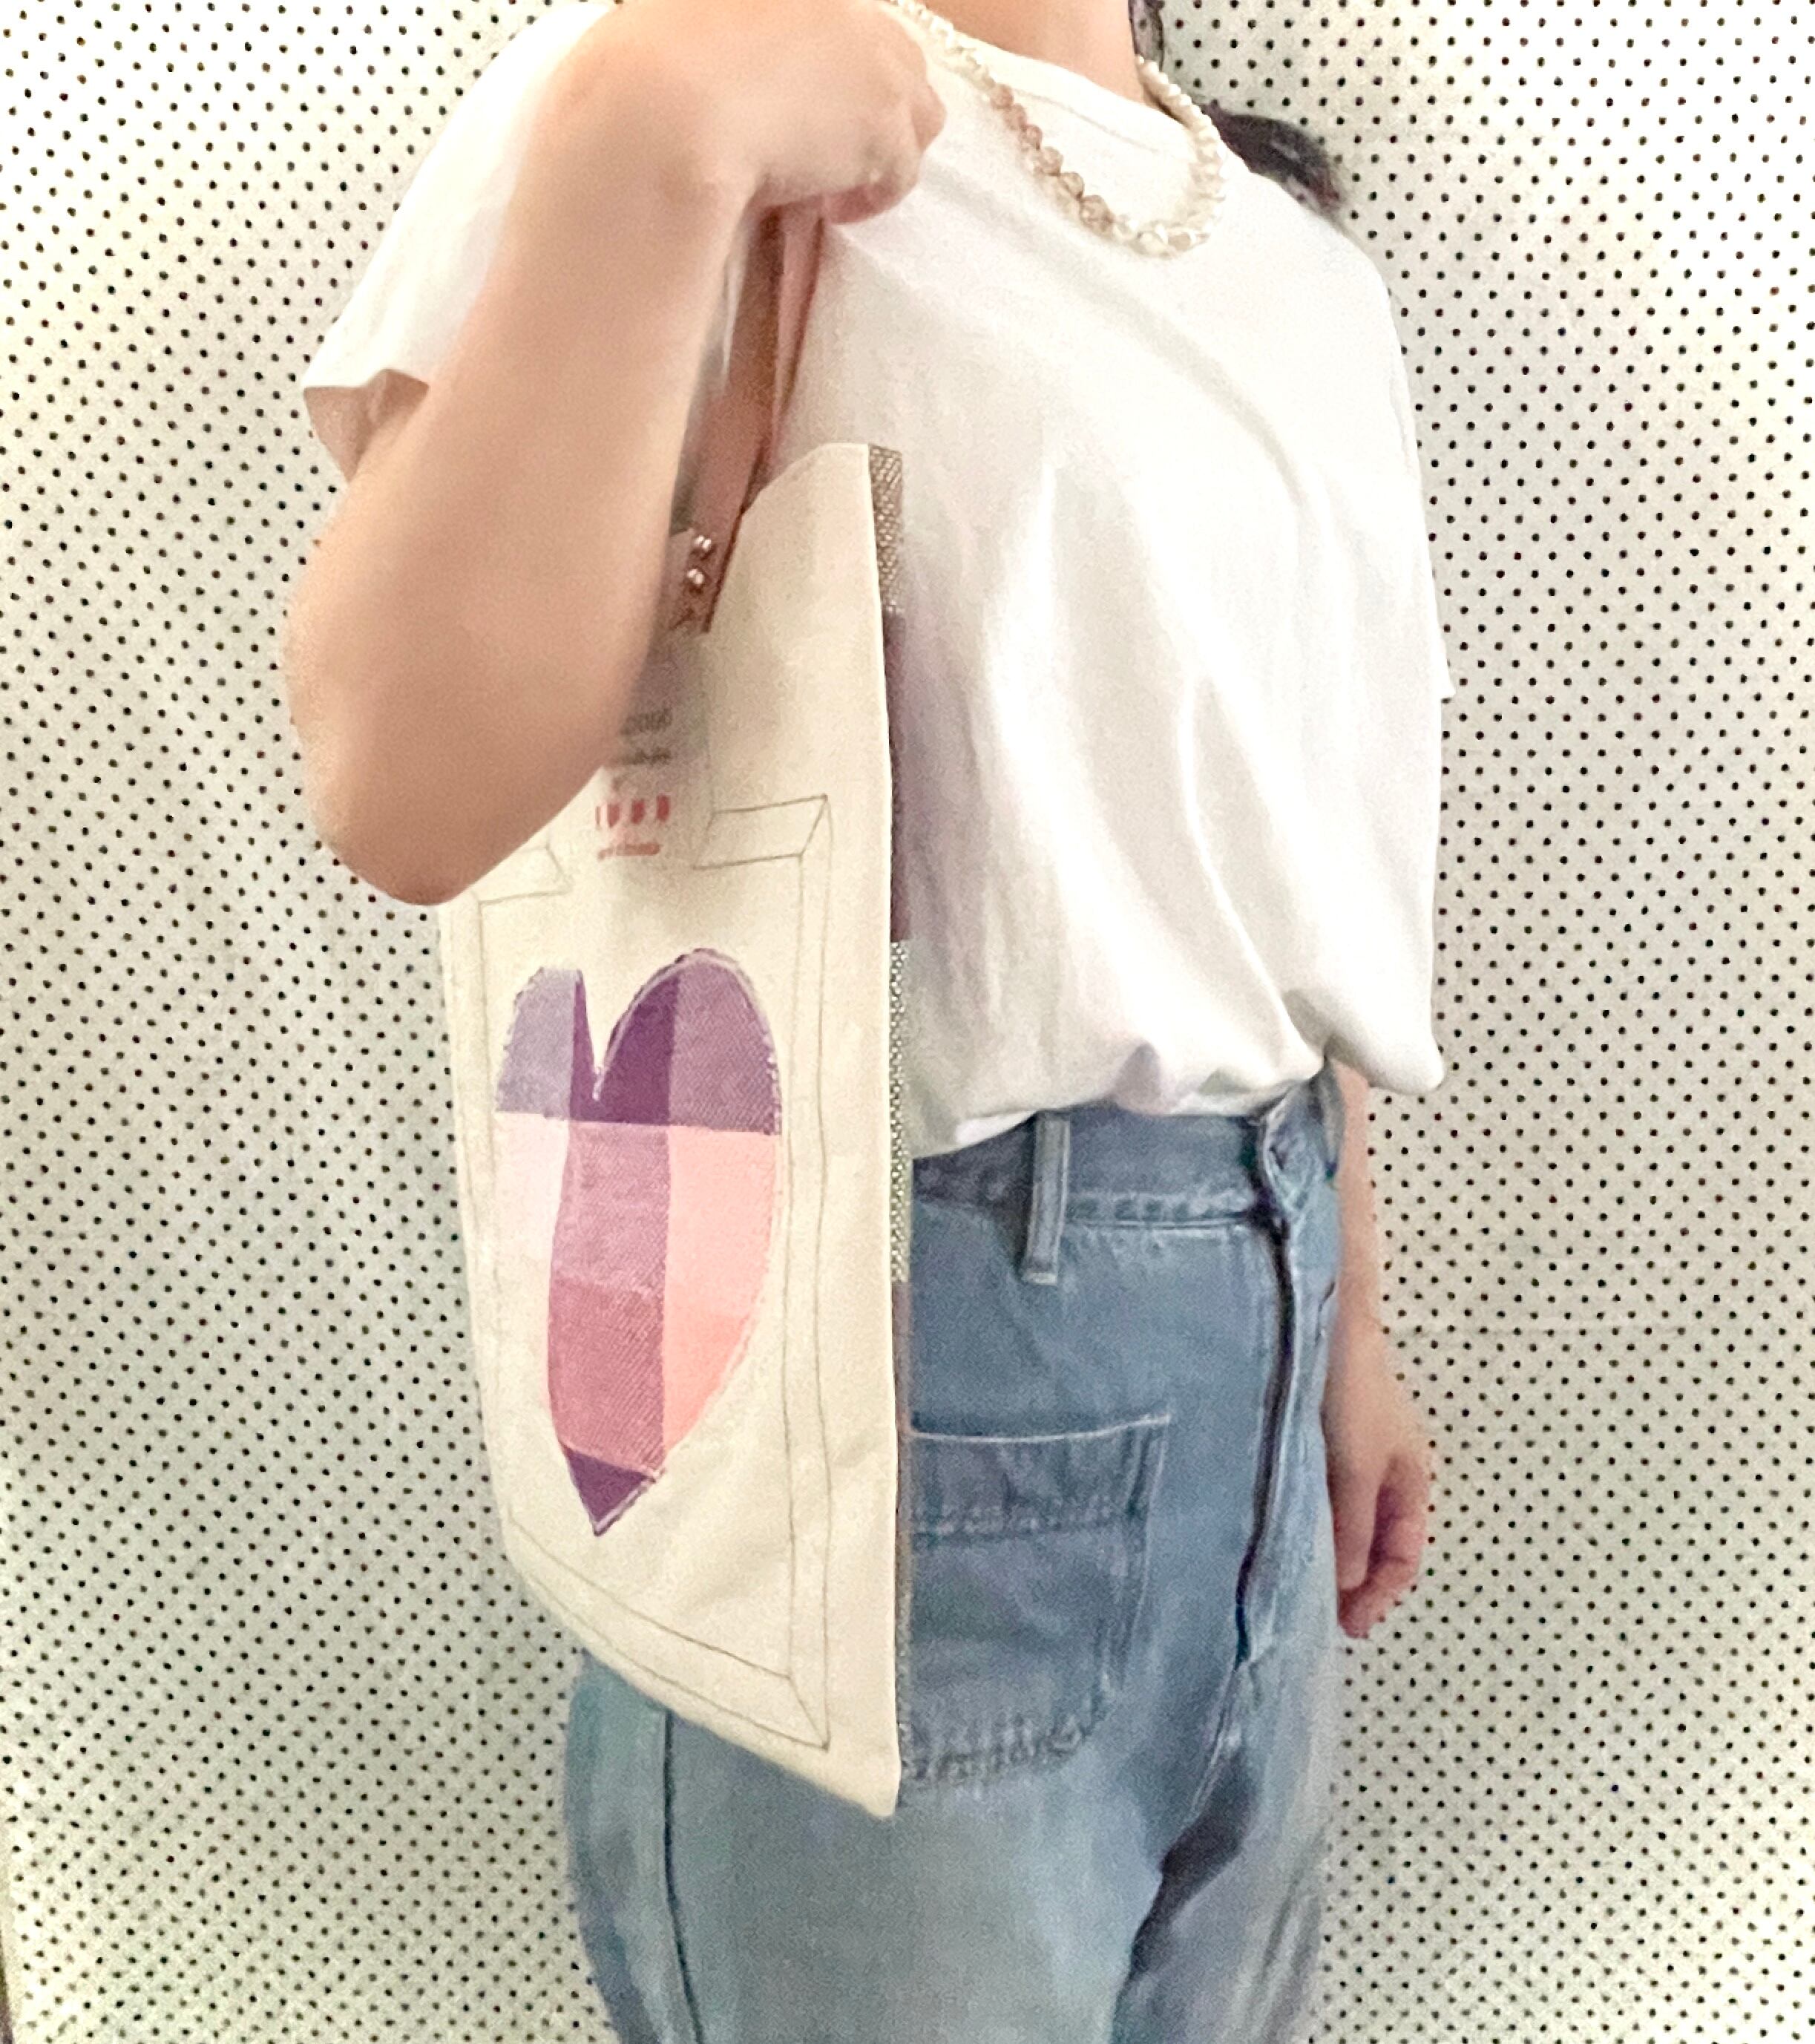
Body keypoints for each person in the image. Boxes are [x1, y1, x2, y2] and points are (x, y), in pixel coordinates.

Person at [283, 1, 1448, 2036]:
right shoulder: (679, 73)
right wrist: (654, 132)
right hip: (897, 1335)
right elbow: (401, 777)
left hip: (1258, 1313)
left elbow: (1281, 848)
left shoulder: (1297, 260)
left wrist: (1343, 1322)